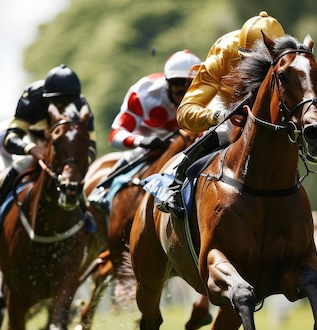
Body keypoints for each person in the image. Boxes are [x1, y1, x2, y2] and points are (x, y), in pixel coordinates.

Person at [158, 11, 286, 216]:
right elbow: (185, 112)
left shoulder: (289, 58)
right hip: (229, 97)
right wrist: (216, 116)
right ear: (240, 53)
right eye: (249, 62)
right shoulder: (223, 52)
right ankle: (176, 183)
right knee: (224, 131)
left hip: (265, 103)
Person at [0, 64, 96, 225]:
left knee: (75, 177)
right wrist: (31, 149)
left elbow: (91, 145)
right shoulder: (31, 99)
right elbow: (10, 138)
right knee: (22, 163)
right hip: (36, 141)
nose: (63, 106)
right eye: (58, 101)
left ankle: (85, 212)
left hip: (65, 148)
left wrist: (78, 164)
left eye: (67, 102)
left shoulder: (81, 105)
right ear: (47, 97)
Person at [95, 49, 201, 191]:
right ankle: (101, 193)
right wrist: (142, 141)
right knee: (132, 157)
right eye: (178, 90)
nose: (184, 98)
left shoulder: (210, 93)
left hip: (189, 146)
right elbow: (115, 136)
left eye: (191, 91)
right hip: (146, 149)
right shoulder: (143, 93)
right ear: (167, 85)